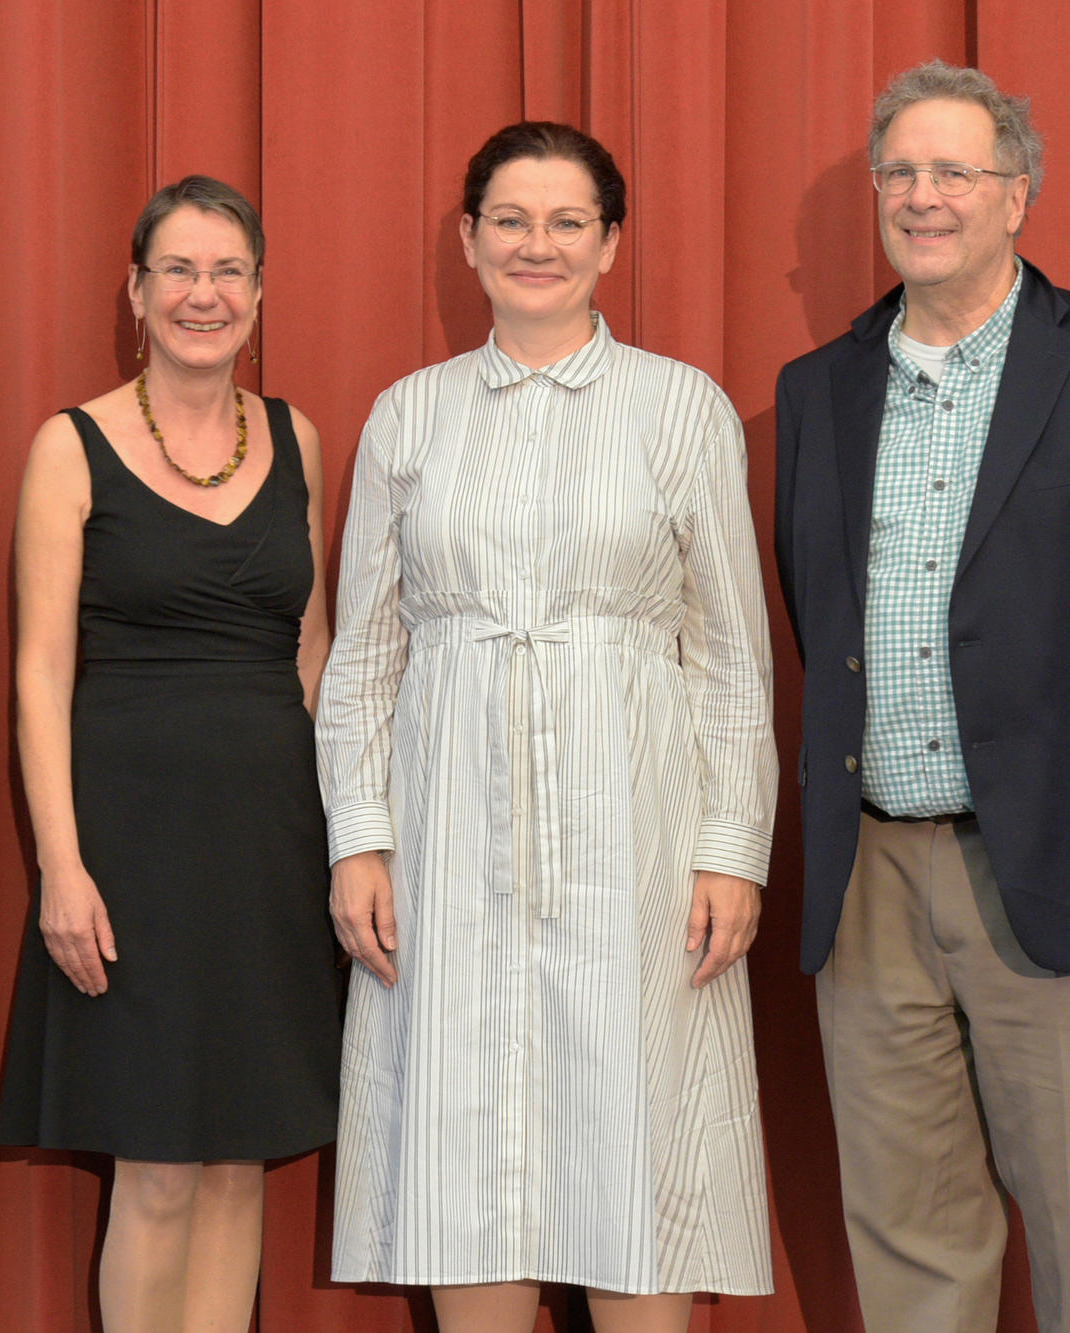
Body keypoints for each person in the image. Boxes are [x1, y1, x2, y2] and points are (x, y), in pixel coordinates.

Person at [772, 61, 1070, 1332]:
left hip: (1064, 864)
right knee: (911, 1253)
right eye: (900, 173)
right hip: (868, 879)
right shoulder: (816, 391)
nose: (922, 198)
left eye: (953, 172)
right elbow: (809, 615)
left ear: (1016, 196)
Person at [318, 122, 778, 1330]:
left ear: (610, 242)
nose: (537, 245)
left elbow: (730, 656)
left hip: (639, 844)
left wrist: (732, 845)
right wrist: (357, 839)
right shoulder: (407, 418)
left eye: (566, 221)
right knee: (467, 1146)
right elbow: (364, 654)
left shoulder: (681, 411)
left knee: (638, 1144)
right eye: (509, 220)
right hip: (447, 844)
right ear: (467, 241)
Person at [0, 176, 341, 1331]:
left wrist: (353, 841)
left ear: (259, 291)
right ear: (136, 292)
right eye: (179, 271)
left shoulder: (294, 436)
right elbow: (39, 675)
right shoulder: (70, 445)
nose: (205, 294)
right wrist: (62, 866)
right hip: (130, 850)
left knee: (241, 1157)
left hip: (272, 846)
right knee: (152, 1169)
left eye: (227, 271)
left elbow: (313, 651)